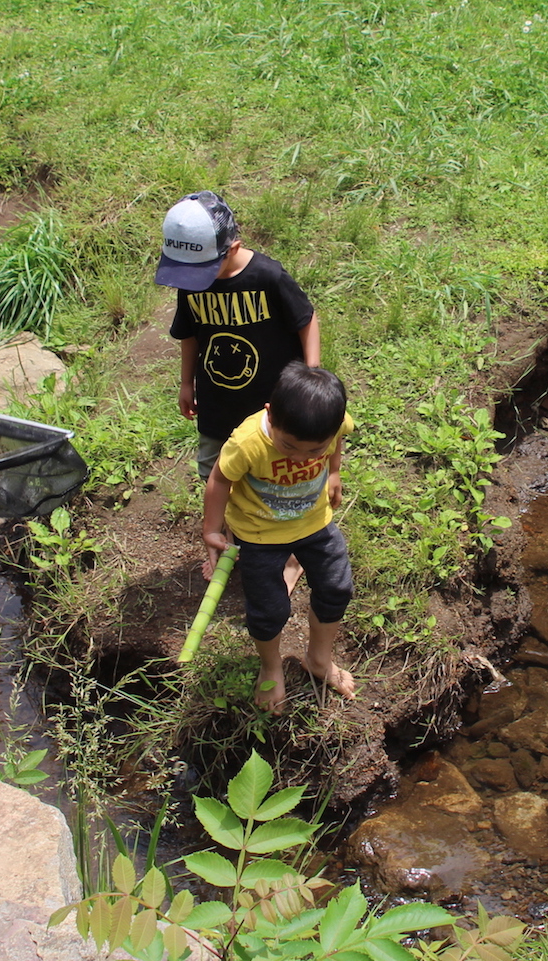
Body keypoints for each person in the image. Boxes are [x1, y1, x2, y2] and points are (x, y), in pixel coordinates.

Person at [200, 361, 355, 712]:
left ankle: (318, 658)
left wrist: (332, 471)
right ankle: (271, 668)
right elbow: (220, 479)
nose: (301, 458)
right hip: (259, 535)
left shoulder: (335, 425)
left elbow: (339, 439)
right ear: (271, 414)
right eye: (288, 447)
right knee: (269, 609)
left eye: (314, 450)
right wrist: (211, 529)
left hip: (315, 524)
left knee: (336, 587)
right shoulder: (249, 441)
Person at [157, 191, 320, 481]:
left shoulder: (268, 277)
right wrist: (186, 382)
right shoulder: (191, 284)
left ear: (233, 248)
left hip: (270, 401)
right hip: (217, 402)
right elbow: (189, 334)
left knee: (270, 467)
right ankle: (222, 523)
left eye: (201, 270)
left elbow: (305, 320)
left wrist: (311, 374)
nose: (194, 279)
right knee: (214, 471)